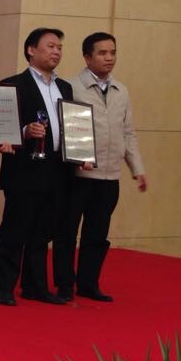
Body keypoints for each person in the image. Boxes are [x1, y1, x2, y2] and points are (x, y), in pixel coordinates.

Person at [52, 32, 146, 302]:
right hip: (79, 173)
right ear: (87, 57)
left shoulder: (121, 90)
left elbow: (128, 133)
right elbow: (66, 128)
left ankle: (88, 283)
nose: (109, 58)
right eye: (102, 53)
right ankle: (65, 284)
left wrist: (137, 168)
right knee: (67, 231)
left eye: (113, 52)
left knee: (97, 233)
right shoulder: (70, 87)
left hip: (109, 174)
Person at [0, 27, 75, 306]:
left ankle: (35, 286)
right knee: (15, 228)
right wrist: (25, 131)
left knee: (43, 230)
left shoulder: (65, 88)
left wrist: (81, 151)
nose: (56, 51)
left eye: (59, 47)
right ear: (31, 50)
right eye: (50, 46)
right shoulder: (13, 85)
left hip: (56, 167)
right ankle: (4, 286)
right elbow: (0, 127)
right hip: (24, 167)